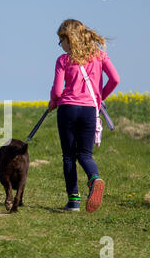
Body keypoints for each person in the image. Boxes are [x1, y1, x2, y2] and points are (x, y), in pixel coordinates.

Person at [48, 19, 120, 212]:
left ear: (69, 39)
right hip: (90, 109)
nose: (60, 45)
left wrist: (53, 103)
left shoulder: (63, 60)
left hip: (68, 109)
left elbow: (56, 91)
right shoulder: (100, 56)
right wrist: (98, 97)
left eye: (60, 40)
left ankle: (73, 201)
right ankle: (94, 178)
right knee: (85, 154)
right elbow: (115, 79)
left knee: (69, 156)